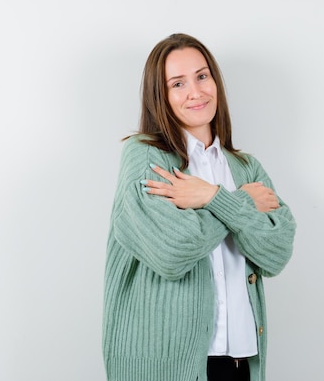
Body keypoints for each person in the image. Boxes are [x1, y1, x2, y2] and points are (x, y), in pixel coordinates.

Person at [102, 33, 296, 381]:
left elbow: (276, 253)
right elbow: (171, 251)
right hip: (167, 366)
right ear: (160, 96)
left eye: (202, 76)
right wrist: (240, 203)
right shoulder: (146, 156)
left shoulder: (245, 168)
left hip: (240, 361)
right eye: (178, 83)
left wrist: (210, 196)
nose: (196, 91)